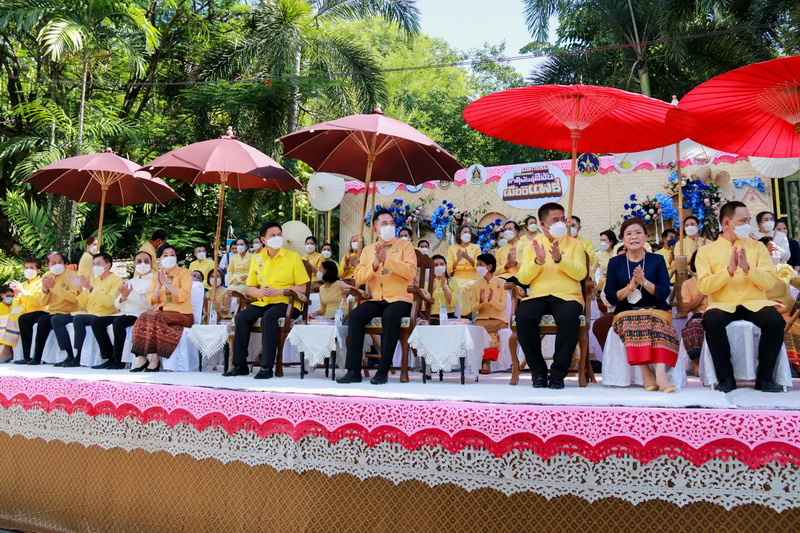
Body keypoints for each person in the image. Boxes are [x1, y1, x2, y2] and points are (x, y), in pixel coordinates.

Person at [697, 201, 785, 393]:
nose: (748, 225)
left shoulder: (758, 247)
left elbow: (769, 282)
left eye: (748, 220)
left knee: (775, 320)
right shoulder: (706, 251)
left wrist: (747, 268)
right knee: (711, 321)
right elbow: (704, 286)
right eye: (743, 221)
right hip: (723, 303)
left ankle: (765, 378)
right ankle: (726, 378)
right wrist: (728, 270)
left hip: (754, 302)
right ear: (727, 223)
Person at [336, 209, 417, 385]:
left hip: (400, 298)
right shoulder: (367, 250)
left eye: (392, 223)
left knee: (391, 316)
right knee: (356, 316)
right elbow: (359, 278)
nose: (390, 226)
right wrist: (374, 264)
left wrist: (386, 260)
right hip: (376, 298)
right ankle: (353, 371)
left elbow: (410, 271)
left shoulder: (405, 246)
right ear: (375, 229)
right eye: (384, 224)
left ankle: (382, 371)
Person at [224, 221, 310, 379]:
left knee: (269, 317)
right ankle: (240, 365)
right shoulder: (257, 258)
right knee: (241, 317)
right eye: (272, 235)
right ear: (263, 240)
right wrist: (259, 291)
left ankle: (266, 366)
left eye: (279, 234)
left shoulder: (293, 257)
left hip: (288, 302)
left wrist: (280, 291)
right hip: (263, 301)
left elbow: (302, 287)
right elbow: (249, 287)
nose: (277, 238)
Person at [516, 202, 587, 389]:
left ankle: (558, 373)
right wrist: (538, 261)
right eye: (555, 220)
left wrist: (559, 260)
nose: (561, 223)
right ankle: (538, 371)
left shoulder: (575, 244)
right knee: (524, 316)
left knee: (569, 317)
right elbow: (523, 277)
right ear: (543, 224)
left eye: (562, 219)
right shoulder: (531, 246)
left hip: (567, 295)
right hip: (539, 295)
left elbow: (580, 273)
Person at [604, 218, 678, 392]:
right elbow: (611, 297)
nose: (634, 237)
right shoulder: (616, 262)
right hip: (627, 312)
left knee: (658, 326)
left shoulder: (657, 260)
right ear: (623, 239)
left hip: (656, 310)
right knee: (633, 324)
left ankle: (660, 374)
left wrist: (644, 282)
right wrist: (630, 287)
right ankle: (647, 374)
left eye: (638, 233)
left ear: (645, 237)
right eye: (629, 234)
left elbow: (663, 292)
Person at [129, 244, 194, 372]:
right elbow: (151, 300)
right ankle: (141, 357)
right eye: (165, 255)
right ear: (159, 259)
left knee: (154, 317)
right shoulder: (157, 275)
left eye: (172, 254)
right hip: (162, 313)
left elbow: (184, 295)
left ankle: (155, 358)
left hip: (182, 314)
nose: (169, 257)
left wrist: (167, 285)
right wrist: (159, 285)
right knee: (143, 316)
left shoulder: (184, 273)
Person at [52, 252, 123, 367]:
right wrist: (80, 288)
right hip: (90, 313)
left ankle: (79, 356)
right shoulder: (95, 280)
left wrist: (90, 288)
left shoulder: (116, 281)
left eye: (99, 264)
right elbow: (85, 304)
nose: (95, 267)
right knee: (57, 319)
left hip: (104, 314)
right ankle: (69, 354)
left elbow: (109, 303)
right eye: (94, 264)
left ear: (108, 265)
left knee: (79, 319)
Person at [91, 251, 155, 369]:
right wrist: (123, 298)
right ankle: (109, 357)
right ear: (134, 265)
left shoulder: (154, 281)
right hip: (124, 313)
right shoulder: (130, 281)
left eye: (146, 261)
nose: (143, 264)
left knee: (118, 322)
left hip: (140, 314)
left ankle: (119, 360)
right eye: (139, 262)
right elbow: (117, 305)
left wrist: (131, 294)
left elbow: (151, 305)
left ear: (151, 264)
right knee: (97, 322)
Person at [16, 252, 80, 365]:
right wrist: (45, 290)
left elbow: (74, 299)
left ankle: (69, 355)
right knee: (27, 319)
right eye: (53, 263)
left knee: (50, 320)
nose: (57, 265)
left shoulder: (71, 276)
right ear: (47, 266)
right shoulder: (47, 277)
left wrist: (54, 287)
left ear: (65, 263)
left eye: (60, 262)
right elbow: (42, 302)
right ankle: (33, 357)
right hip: (53, 312)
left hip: (70, 312)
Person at [0, 258, 45, 363]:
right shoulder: (24, 284)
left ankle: (9, 350)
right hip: (25, 313)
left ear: (38, 270)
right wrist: (16, 293)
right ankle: (9, 349)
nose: (28, 270)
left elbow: (39, 302)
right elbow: (16, 304)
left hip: (40, 312)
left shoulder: (42, 283)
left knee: (21, 318)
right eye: (26, 268)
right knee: (5, 318)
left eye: (31, 268)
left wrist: (22, 291)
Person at [472, 253, 508, 375]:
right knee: (478, 329)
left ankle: (486, 361)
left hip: (498, 319)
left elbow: (502, 306)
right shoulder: (476, 285)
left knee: (490, 332)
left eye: (480, 265)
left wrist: (491, 299)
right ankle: (478, 360)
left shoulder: (502, 283)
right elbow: (473, 309)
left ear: (489, 267)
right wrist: (481, 301)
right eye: (477, 265)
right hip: (481, 319)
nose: (478, 267)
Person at [681, 252, 708, 374]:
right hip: (699, 315)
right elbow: (686, 308)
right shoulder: (688, 283)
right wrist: (702, 294)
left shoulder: (718, 279)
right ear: (694, 264)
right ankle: (697, 364)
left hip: (719, 312)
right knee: (695, 326)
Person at [447, 224, 481, 316]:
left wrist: (468, 258)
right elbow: (450, 269)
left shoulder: (476, 247)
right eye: (465, 232)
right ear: (459, 234)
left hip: (473, 277)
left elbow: (479, 266)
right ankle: (450, 314)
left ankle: (464, 314)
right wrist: (457, 260)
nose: (467, 234)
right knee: (450, 288)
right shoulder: (452, 248)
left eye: (469, 232)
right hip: (457, 277)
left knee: (464, 288)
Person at [496, 221, 525, 287]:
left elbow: (529, 265)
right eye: (505, 230)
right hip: (505, 277)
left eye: (510, 229)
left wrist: (516, 263)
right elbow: (495, 271)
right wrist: (506, 266)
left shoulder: (525, 246)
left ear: (516, 232)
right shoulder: (500, 250)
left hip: (520, 276)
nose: (507, 231)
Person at [431, 255, 459, 321]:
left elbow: (453, 303)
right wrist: (432, 290)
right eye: (436, 265)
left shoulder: (453, 282)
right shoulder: (427, 283)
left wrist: (444, 287)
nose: (439, 267)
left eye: (441, 264)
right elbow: (424, 306)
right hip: (431, 316)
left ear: (445, 266)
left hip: (448, 315)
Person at [593, 230, 618, 294]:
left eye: (604, 240)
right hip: (604, 285)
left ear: (611, 242)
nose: (602, 242)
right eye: (601, 240)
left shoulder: (618, 252)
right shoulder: (598, 254)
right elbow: (593, 271)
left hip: (619, 283)